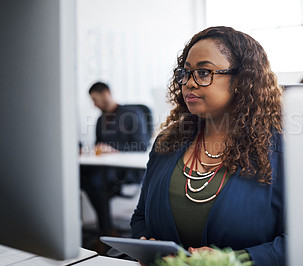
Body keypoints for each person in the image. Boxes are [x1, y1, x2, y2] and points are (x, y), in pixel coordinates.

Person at [130, 26, 285, 265]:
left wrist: (234, 260)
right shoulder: (167, 143)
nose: (189, 83)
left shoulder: (281, 152)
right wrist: (144, 243)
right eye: (186, 73)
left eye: (204, 72)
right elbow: (140, 216)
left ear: (241, 81)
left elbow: (298, 241)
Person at [81, 82, 151, 242]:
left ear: (106, 93)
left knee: (95, 182)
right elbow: (99, 146)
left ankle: (105, 231)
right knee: (82, 177)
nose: (94, 104)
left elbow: (141, 145)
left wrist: (114, 149)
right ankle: (104, 229)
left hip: (124, 171)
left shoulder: (131, 114)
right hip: (104, 169)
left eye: (95, 99)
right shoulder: (101, 120)